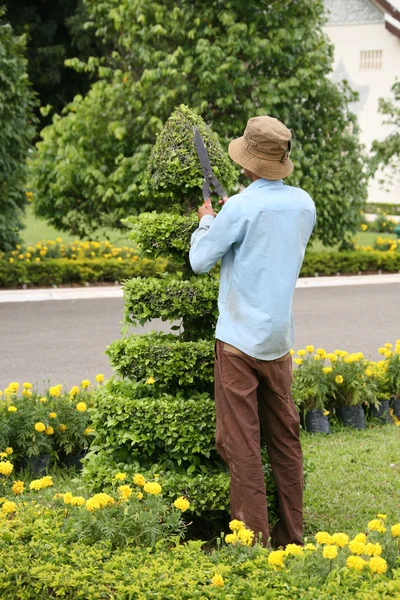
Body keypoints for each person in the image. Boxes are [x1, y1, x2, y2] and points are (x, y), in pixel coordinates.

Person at [189, 116, 316, 548]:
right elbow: (269, 243)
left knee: (240, 442)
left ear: (248, 163)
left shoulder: (240, 207)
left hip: (240, 342)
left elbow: (201, 261)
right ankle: (292, 536)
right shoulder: (304, 204)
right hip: (279, 341)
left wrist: (208, 220)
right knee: (285, 439)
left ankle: (252, 543)